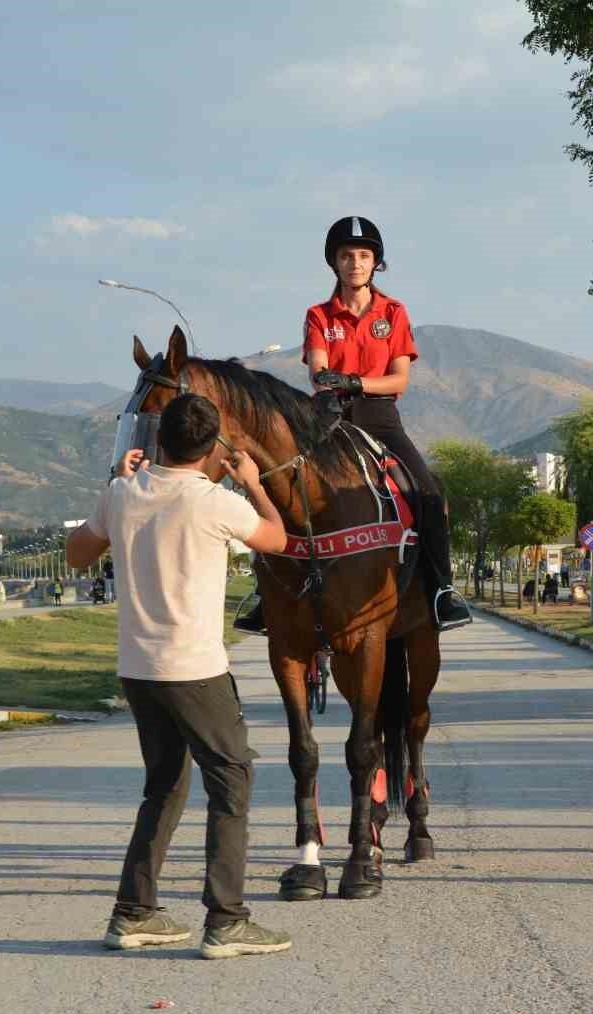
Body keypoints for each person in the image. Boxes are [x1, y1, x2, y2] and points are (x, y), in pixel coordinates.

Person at [66, 393, 294, 960]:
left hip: (138, 668)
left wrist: (114, 484)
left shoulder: (122, 493)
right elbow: (278, 538)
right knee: (231, 779)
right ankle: (227, 918)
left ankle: (133, 912)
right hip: (194, 669)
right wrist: (254, 484)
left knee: (164, 784)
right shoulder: (216, 502)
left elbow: (76, 555)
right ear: (213, 448)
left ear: (157, 439)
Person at [234, 215, 470, 634]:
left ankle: (441, 590)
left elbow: (399, 379)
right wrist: (331, 385)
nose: (355, 263)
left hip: (380, 417)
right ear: (335, 262)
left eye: (363, 255)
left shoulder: (394, 312)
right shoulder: (319, 314)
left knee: (429, 494)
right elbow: (318, 370)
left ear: (375, 262)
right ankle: (265, 595)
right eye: (346, 255)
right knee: (278, 488)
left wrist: (357, 382)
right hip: (329, 417)